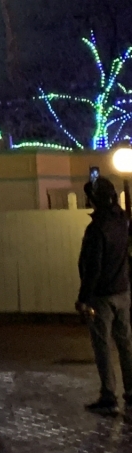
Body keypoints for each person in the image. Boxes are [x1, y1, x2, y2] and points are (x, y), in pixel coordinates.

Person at [77, 176, 132, 414]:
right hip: (122, 290)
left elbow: (92, 268)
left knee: (102, 346)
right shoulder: (122, 222)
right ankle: (130, 391)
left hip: (103, 295)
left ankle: (108, 394)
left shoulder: (97, 228)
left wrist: (83, 298)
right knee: (125, 343)